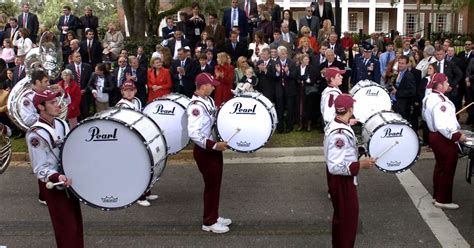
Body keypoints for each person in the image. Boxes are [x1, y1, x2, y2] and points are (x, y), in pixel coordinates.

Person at [26, 89, 84, 247]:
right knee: (66, 228)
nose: (58, 105)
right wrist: (57, 177)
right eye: (52, 102)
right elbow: (40, 169)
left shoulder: (61, 123)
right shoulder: (35, 134)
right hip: (55, 186)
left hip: (69, 181)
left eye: (56, 101)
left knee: (76, 224)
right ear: (41, 107)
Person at [324, 93, 375, 248]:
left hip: (340, 180)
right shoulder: (339, 134)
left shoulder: (337, 124)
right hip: (342, 181)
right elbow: (335, 166)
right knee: (348, 222)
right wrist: (360, 165)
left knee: (342, 219)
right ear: (350, 109)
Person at [187, 72, 232, 234]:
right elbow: (194, 134)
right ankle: (209, 221)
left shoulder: (208, 100)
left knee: (215, 184)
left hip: (212, 149)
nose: (213, 87)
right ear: (202, 86)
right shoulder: (195, 107)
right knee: (211, 186)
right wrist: (214, 146)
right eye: (211, 85)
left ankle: (214, 215)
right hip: (205, 151)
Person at [422, 73, 467, 210]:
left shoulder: (429, 97)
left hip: (434, 136)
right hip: (443, 138)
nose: (448, 84)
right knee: (447, 168)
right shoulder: (440, 102)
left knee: (440, 167)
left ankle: (437, 195)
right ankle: (443, 199)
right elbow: (442, 125)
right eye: (446, 82)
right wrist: (457, 136)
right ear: (440, 85)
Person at [65, 52, 93, 120]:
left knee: (85, 112)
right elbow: (68, 81)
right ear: (73, 58)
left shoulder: (87, 66)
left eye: (80, 56)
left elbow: (90, 80)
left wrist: (85, 89)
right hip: (74, 94)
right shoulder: (69, 67)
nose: (79, 57)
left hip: (85, 93)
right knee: (77, 113)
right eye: (77, 56)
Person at [296, 53, 319, 131]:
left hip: (308, 90)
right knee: (300, 107)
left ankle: (308, 124)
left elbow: (313, 79)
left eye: (308, 59)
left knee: (308, 107)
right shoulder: (297, 68)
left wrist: (305, 79)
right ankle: (300, 124)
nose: (308, 60)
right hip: (299, 89)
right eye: (306, 59)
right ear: (301, 60)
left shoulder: (311, 68)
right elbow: (296, 77)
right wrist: (303, 78)